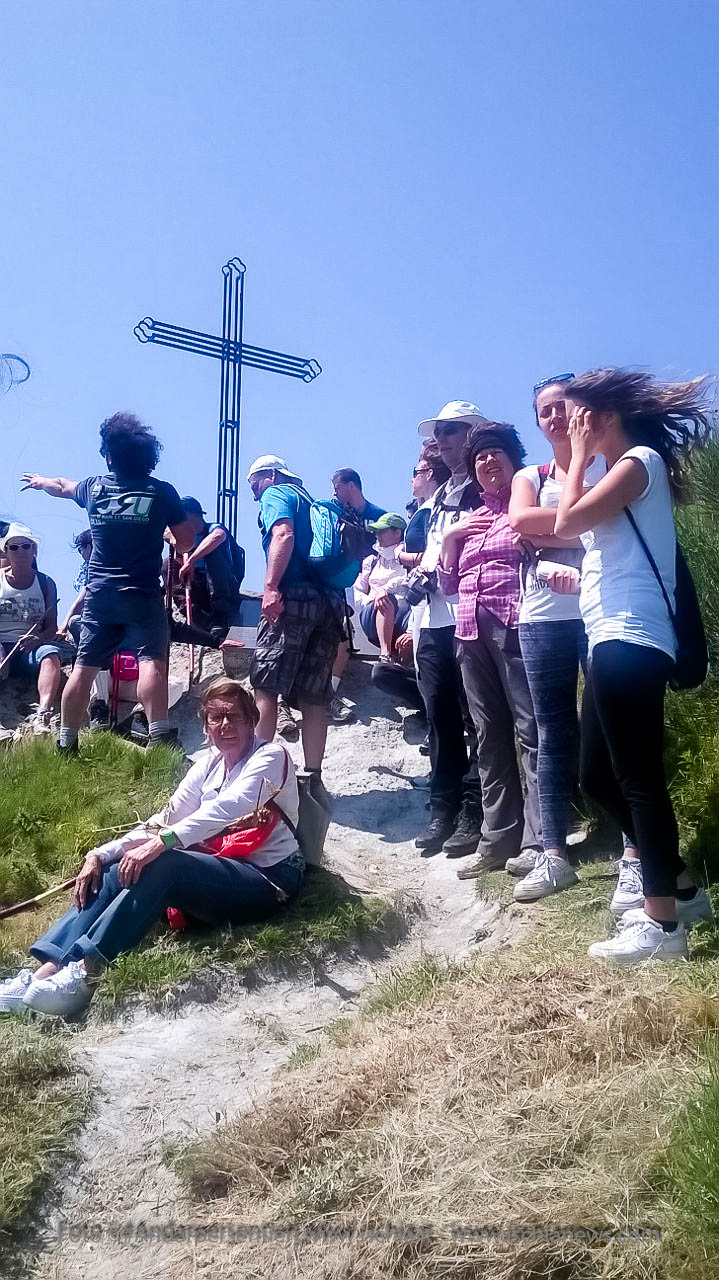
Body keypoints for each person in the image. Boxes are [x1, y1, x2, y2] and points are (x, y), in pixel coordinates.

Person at [0, 680, 304, 1018]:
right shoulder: (208, 764)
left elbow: (226, 809)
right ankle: (39, 977)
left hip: (268, 877)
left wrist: (161, 844)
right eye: (216, 718)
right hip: (220, 867)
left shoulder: (270, 756)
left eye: (234, 716)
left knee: (164, 864)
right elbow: (168, 818)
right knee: (117, 869)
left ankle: (86, 975)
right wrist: (103, 852)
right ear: (206, 725)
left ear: (251, 720)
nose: (225, 726)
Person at [554, 368, 713, 965]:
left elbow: (566, 522)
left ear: (604, 417)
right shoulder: (619, 474)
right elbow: (603, 555)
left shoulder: (638, 461)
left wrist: (573, 459)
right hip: (609, 638)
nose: (570, 428)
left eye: (575, 416)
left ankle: (662, 925)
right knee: (596, 776)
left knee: (638, 778)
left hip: (633, 639)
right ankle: (683, 889)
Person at [22, 411, 195, 751]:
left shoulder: (94, 488)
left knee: (85, 668)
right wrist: (164, 531)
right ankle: (160, 735)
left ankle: (66, 742)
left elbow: (61, 485)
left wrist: (41, 481)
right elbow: (186, 541)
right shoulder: (161, 492)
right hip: (142, 593)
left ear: (110, 456)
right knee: (151, 662)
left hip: (100, 594)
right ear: (148, 455)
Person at [438, 424, 542, 876]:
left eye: (496, 453)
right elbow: (445, 584)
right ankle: (498, 838)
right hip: (467, 634)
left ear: (514, 460)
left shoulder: (527, 506)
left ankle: (540, 840)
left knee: (530, 732)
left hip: (515, 624)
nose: (487, 462)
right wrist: (449, 539)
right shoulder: (470, 518)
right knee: (487, 735)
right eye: (479, 457)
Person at [412, 400, 487, 857]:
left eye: (452, 430)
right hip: (431, 617)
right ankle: (444, 807)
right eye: (439, 431)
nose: (442, 438)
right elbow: (428, 554)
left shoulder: (485, 487)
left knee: (473, 717)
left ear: (474, 433)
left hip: (469, 614)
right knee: (439, 716)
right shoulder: (439, 496)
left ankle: (474, 812)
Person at [247, 454, 344, 794]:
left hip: (293, 599)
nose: (254, 493)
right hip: (329, 603)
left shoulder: (277, 493)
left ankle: (254, 775)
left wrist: (271, 586)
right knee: (313, 695)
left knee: (265, 683)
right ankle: (313, 778)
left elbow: (283, 534)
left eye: (255, 483)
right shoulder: (310, 500)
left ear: (270, 475)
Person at [329, 468, 387, 722]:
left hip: (374, 586)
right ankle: (327, 692)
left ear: (351, 485)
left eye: (337, 488)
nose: (335, 493)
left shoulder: (379, 516)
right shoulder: (336, 514)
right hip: (345, 584)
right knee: (340, 632)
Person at [0, 523, 63, 734]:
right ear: (6, 551)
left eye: (25, 546)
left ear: (33, 550)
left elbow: (51, 627)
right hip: (2, 644)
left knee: (51, 654)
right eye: (14, 547)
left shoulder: (46, 583)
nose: (20, 551)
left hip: (30, 647)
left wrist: (39, 640)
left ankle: (43, 711)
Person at [176, 496, 245, 641]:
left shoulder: (214, 528)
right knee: (167, 565)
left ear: (191, 514)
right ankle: (197, 618)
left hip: (223, 588)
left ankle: (220, 619)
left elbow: (218, 536)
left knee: (213, 555)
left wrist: (192, 561)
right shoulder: (182, 538)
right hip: (198, 588)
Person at [354, 513, 409, 661]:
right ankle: (385, 652)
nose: (378, 535)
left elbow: (408, 579)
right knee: (386, 599)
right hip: (371, 615)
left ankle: (402, 663)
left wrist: (387, 588)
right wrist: (370, 600)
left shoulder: (408, 556)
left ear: (398, 533)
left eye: (382, 531)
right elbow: (358, 589)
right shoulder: (371, 561)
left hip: (403, 615)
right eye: (376, 531)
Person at [58, 529, 93, 644]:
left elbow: (80, 601)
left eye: (80, 549)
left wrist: (63, 627)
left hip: (102, 622)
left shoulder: (94, 569)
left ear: (89, 546)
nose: (81, 553)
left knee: (74, 621)